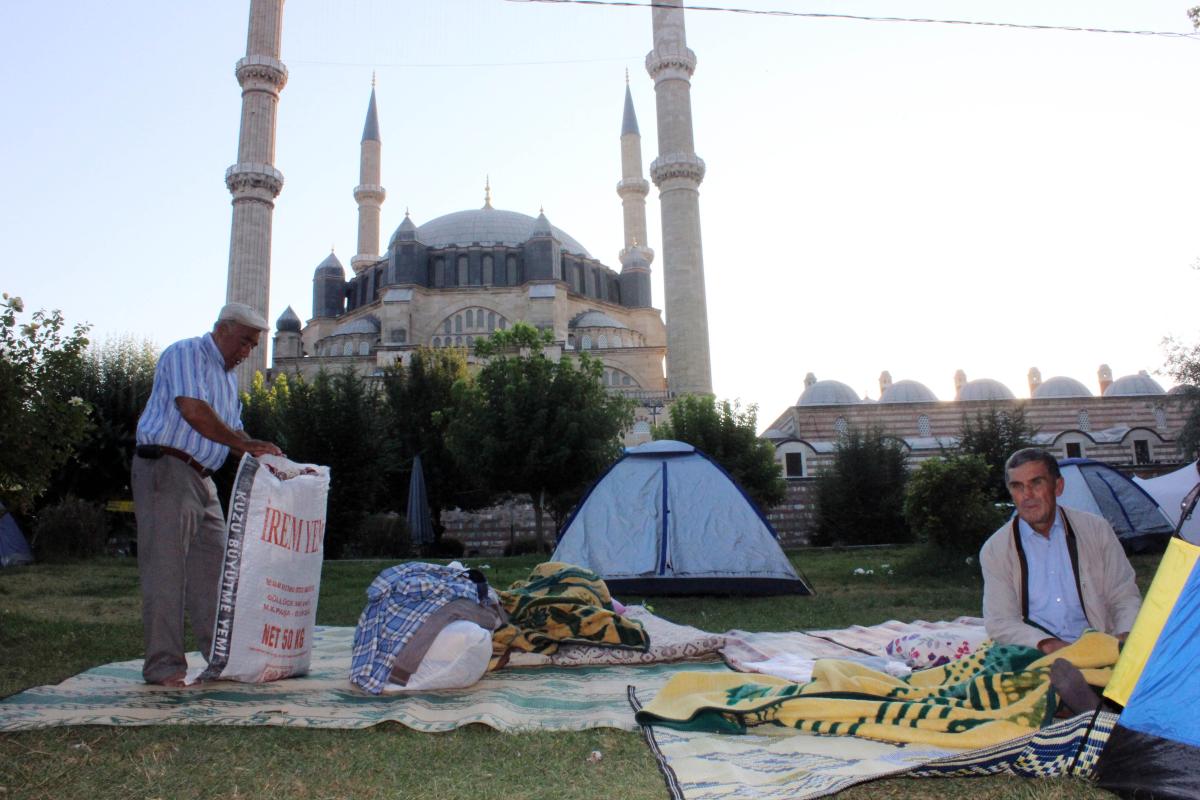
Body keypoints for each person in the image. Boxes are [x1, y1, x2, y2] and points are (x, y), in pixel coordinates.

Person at [132, 303, 282, 686]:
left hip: (203, 479)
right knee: (167, 572)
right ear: (221, 329)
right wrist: (244, 444)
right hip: (167, 468)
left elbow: (235, 435)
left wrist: (266, 454)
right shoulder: (186, 353)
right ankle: (164, 667)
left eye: (253, 346)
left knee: (216, 574)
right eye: (245, 342)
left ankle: (221, 661)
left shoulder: (228, 381)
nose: (248, 352)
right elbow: (193, 411)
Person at [980, 447, 1141, 655]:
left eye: (1036, 483)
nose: (1027, 495)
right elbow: (1000, 621)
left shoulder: (1096, 530)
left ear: (1058, 486)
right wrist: (1047, 644)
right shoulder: (996, 549)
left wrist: (1123, 636)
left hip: (1101, 645)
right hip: (1036, 653)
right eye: (1017, 486)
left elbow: (1124, 595)